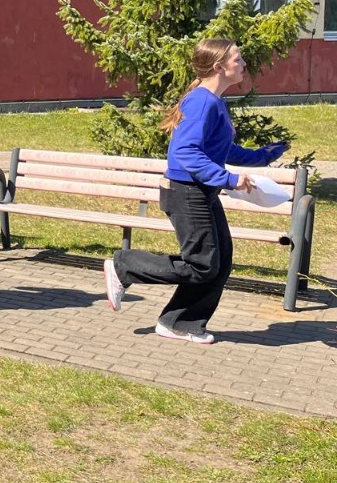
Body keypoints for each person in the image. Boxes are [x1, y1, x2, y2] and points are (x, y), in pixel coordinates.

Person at [103, 39, 289, 344]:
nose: (244, 64)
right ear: (219, 67)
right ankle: (125, 266)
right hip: (186, 193)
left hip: (200, 192)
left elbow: (220, 149)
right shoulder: (203, 102)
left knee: (220, 261)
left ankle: (179, 323)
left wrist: (263, 156)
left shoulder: (213, 101)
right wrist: (228, 179)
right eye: (238, 60)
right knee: (202, 265)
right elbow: (186, 153)